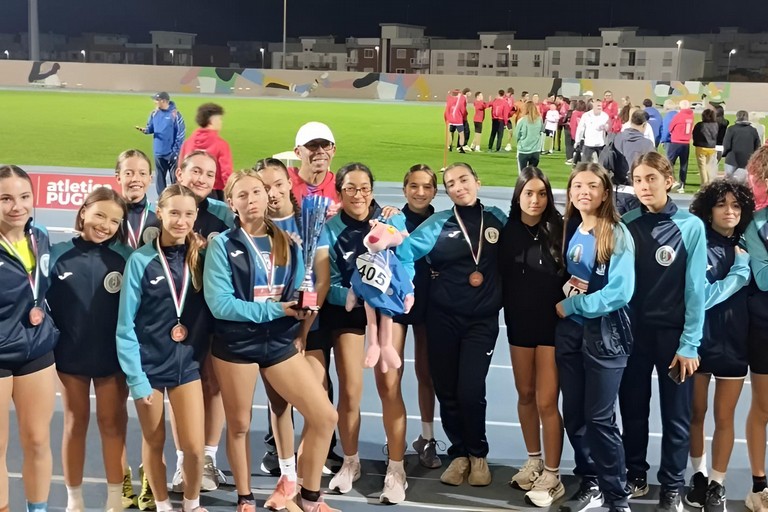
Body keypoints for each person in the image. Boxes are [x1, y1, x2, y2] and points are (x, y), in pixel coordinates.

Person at [204, 169, 338, 512]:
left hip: (278, 342)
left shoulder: (287, 241)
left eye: (256, 193)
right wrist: (276, 309)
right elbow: (221, 305)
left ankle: (309, 498)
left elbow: (294, 290)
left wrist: (302, 302)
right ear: (231, 203)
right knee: (240, 425)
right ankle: (246, 498)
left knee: (324, 416)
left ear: (267, 197)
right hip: (236, 345)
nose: (251, 200)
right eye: (242, 195)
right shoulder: (223, 244)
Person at [400, 163, 508, 487]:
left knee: (470, 390)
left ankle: (478, 454)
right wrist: (407, 287)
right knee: (446, 389)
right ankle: (458, 455)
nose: (458, 186)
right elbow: (403, 252)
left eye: (463, 180)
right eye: (450, 184)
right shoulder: (437, 223)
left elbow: (524, 248)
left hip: (482, 321)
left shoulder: (498, 220)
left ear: (477, 181)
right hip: (442, 318)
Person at [620, 152, 707, 512]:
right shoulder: (626, 223)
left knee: (676, 415)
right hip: (633, 338)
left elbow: (695, 290)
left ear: (668, 180)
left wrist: (689, 343)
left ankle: (672, 485)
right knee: (633, 409)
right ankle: (635, 475)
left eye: (651, 178)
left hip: (673, 340)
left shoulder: (691, 226)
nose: (644, 186)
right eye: (638, 180)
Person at [116, 184, 209, 512]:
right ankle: (161, 504)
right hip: (149, 367)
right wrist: (137, 380)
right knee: (154, 442)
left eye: (188, 214)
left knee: (195, 448)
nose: (180, 221)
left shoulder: (202, 256)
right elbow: (125, 327)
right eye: (174, 213)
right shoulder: (140, 262)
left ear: (196, 215)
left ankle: (192, 503)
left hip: (187, 366)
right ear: (161, 212)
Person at [322, 163, 411, 501]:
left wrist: (397, 294)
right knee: (350, 389)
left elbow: (409, 262)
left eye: (364, 188)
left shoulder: (392, 220)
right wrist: (350, 294)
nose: (358, 195)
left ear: (372, 190)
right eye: (350, 189)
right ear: (339, 192)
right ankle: (350, 461)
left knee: (389, 384)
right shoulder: (330, 230)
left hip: (387, 314)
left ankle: (396, 468)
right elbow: (326, 280)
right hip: (348, 314)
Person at [555, 163, 636, 512]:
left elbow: (620, 292)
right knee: (573, 414)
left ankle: (617, 496)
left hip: (606, 336)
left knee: (601, 419)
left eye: (592, 186)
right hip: (570, 335)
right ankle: (591, 482)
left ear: (605, 193)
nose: (583, 191)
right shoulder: (570, 228)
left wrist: (573, 304)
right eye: (577, 186)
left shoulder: (616, 233)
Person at [47, 188, 133, 512]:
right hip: (69, 357)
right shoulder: (56, 254)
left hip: (112, 359)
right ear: (83, 212)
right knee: (75, 423)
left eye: (114, 220)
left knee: (111, 424)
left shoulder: (126, 257)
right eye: (99, 215)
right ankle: (75, 502)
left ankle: (115, 501)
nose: (105, 225)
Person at [253, 157, 333, 493]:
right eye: (264, 187)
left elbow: (323, 280)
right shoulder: (253, 227)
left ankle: (306, 470)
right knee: (279, 403)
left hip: (309, 328)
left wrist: (302, 331)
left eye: (277, 184)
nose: (272, 193)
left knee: (318, 400)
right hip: (272, 329)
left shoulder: (311, 220)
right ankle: (287, 474)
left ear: (289, 182)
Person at [166, 151, 234, 493]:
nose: (202, 179)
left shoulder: (221, 217)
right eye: (196, 171)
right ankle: (183, 462)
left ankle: (207, 457)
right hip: (179, 316)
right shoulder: (164, 214)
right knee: (182, 386)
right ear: (180, 171)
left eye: (209, 174)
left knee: (214, 384)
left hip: (214, 314)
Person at [685, 180, 754, 512]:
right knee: (695, 414)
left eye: (736, 206)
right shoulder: (698, 244)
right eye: (722, 205)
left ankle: (717, 483)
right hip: (698, 345)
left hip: (735, 346)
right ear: (708, 209)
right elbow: (702, 298)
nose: (730, 211)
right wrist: (740, 273)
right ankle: (697, 476)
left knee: (724, 418)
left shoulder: (748, 246)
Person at [499, 167, 566, 506]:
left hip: (552, 327)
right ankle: (534, 461)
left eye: (542, 194)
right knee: (525, 394)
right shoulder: (506, 231)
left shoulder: (562, 229)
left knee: (545, 401)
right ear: (518, 195)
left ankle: (553, 475)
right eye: (529, 193)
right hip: (519, 325)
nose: (536, 200)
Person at [0, 165, 58, 512]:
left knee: (37, 440)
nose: (16, 206)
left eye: (24, 197)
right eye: (5, 198)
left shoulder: (41, 237)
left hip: (35, 348)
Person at [392, 165, 441, 469]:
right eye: (413, 186)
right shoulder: (391, 220)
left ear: (435, 191)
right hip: (396, 305)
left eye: (426, 187)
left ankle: (428, 437)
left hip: (428, 304)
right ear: (404, 189)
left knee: (426, 373)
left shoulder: (442, 222)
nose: (420, 192)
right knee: (392, 374)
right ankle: (393, 434)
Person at [744, 171, 768, 512]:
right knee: (763, 406)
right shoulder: (757, 223)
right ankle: (759, 485)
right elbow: (762, 278)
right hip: (764, 325)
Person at [178, 103, 233, 201]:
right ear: (212, 120)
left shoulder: (188, 143)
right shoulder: (221, 145)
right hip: (213, 192)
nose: (221, 122)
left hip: (189, 190)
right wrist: (231, 193)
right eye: (219, 119)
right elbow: (226, 173)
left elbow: (181, 167)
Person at [135, 92, 185, 196]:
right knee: (160, 179)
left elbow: (180, 134)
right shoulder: (154, 113)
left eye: (156, 100)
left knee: (175, 179)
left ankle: (176, 198)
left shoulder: (175, 115)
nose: (155, 102)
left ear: (163, 101)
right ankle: (162, 199)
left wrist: (175, 152)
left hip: (171, 153)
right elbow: (151, 128)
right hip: (158, 152)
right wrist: (145, 130)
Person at [115, 149, 157, 251]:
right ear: (118, 178)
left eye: (142, 174)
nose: (135, 179)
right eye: (128, 173)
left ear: (150, 179)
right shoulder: (109, 214)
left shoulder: (159, 216)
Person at [289, 122, 340, 205]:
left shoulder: (341, 187)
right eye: (312, 145)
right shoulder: (282, 182)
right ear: (298, 152)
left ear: (333, 150)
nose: (320, 151)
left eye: (326, 145)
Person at [611, 110, 656, 185]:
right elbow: (654, 165)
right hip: (637, 181)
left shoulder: (617, 138)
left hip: (617, 181)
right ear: (644, 125)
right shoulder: (647, 144)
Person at [723, 110, 761, 183]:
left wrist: (724, 154)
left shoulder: (731, 129)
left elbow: (727, 145)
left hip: (732, 159)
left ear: (737, 117)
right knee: (744, 183)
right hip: (747, 160)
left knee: (729, 183)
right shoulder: (753, 130)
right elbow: (758, 147)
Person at [667, 100, 695, 193]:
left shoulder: (678, 116)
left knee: (669, 162)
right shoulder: (691, 116)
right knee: (684, 164)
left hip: (676, 142)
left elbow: (670, 127)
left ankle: (672, 181)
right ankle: (682, 184)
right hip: (686, 143)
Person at [575, 99, 610, 164]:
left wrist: (606, 127)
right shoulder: (586, 115)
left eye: (600, 106)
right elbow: (580, 129)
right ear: (593, 106)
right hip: (589, 143)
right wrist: (578, 140)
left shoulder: (605, 116)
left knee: (602, 163)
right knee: (585, 163)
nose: (599, 107)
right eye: (597, 106)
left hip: (601, 143)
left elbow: (609, 128)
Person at [692, 109, 719, 188]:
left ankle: (704, 184)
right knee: (709, 166)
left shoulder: (700, 125)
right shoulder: (716, 125)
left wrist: (696, 142)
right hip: (712, 147)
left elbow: (695, 135)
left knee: (702, 166)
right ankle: (710, 182)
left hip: (701, 147)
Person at [515, 101, 544, 172]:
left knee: (522, 175)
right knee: (532, 174)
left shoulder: (521, 120)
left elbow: (516, 135)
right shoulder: (539, 119)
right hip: (535, 151)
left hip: (523, 150)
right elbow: (542, 131)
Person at [445, 89, 467, 153]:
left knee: (451, 133)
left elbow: (447, 109)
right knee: (461, 134)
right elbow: (463, 110)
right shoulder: (460, 100)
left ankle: (450, 146)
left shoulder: (450, 100)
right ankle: (461, 147)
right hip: (458, 120)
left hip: (451, 119)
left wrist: (447, 118)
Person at [568, 100, 588, 165]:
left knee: (576, 148)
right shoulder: (586, 114)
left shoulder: (575, 113)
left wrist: (573, 134)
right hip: (584, 134)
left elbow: (572, 124)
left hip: (577, 133)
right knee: (582, 148)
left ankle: (574, 160)